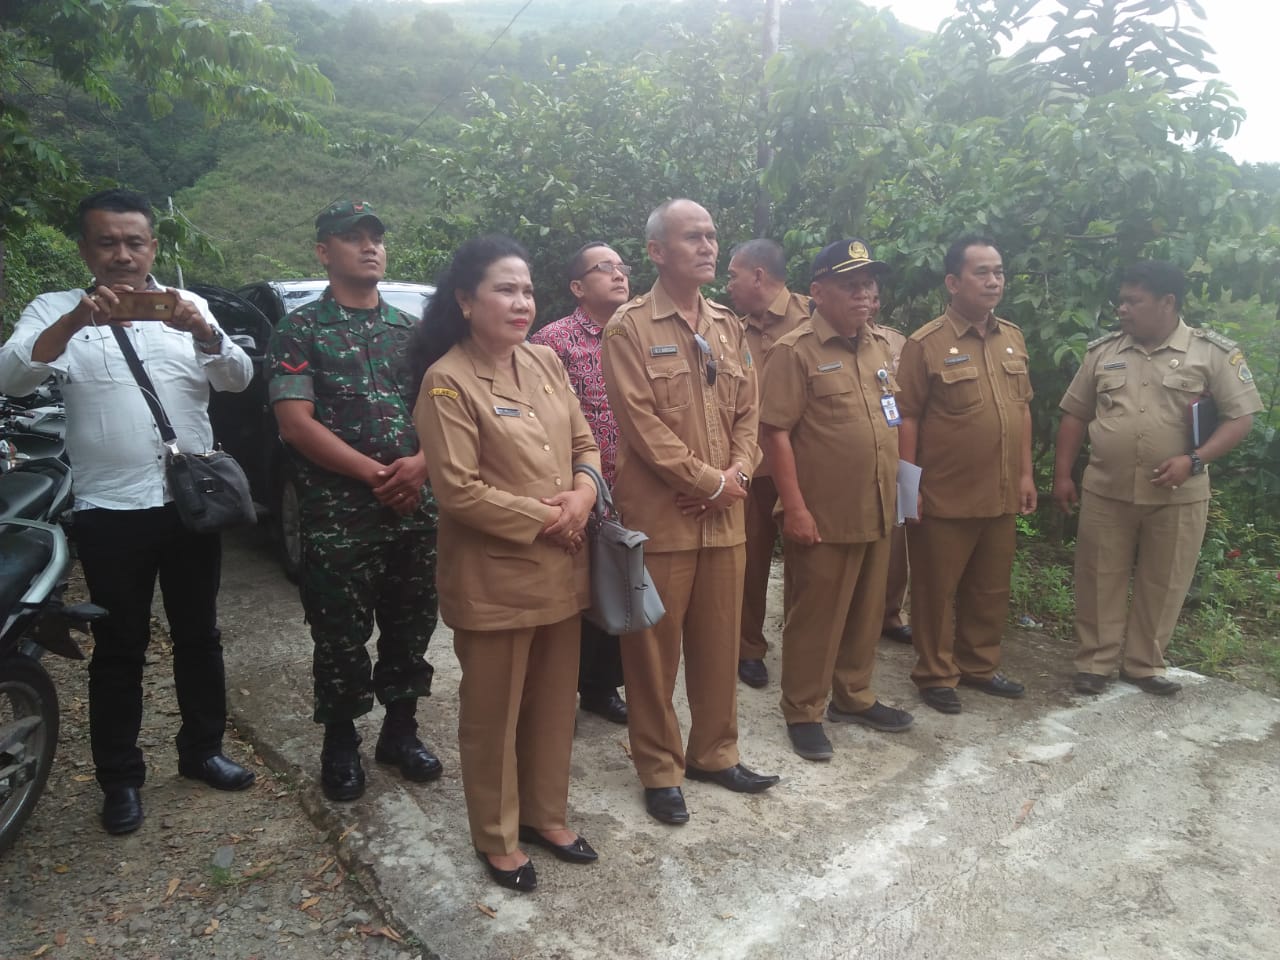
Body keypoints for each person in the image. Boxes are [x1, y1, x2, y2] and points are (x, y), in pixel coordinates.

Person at [0, 188, 255, 835]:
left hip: (188, 506)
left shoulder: (185, 306)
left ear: (153, 248)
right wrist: (75, 324)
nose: (121, 254)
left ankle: (202, 753)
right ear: (86, 249)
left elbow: (240, 377)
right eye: (107, 242)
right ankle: (120, 781)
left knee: (200, 637)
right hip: (110, 510)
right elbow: (12, 376)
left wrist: (204, 331)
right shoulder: (56, 310)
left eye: (134, 242)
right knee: (119, 648)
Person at [410, 235, 603, 893]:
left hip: (560, 571)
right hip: (495, 578)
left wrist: (582, 493)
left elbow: (586, 442)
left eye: (526, 289)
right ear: (466, 300)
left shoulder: (546, 362)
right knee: (493, 716)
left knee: (553, 706)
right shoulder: (449, 380)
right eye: (504, 289)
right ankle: (496, 835)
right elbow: (458, 490)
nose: (521, 302)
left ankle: (545, 817)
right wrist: (553, 518)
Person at [601, 198, 779, 826]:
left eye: (711, 236)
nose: (707, 247)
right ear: (657, 251)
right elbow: (640, 424)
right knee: (653, 655)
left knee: (718, 644)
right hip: (664, 520)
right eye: (692, 237)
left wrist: (734, 477)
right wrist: (707, 481)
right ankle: (659, 767)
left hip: (724, 519)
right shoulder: (628, 327)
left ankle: (715, 752)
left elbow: (749, 414)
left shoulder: (729, 326)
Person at [266, 201, 441, 803]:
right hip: (340, 514)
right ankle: (340, 743)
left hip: (415, 507)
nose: (369, 247)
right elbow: (295, 423)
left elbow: (442, 412)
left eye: (376, 238)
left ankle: (401, 731)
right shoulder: (300, 329)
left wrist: (420, 464)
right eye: (352, 238)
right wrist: (376, 475)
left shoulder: (410, 333)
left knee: (411, 622)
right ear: (324, 252)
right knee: (339, 633)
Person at [1053, 261, 1261, 696]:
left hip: (1179, 493)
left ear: (1167, 302)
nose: (1122, 309)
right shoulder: (1103, 352)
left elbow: (1240, 418)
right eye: (1121, 300)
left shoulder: (1212, 354)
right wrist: (1062, 475)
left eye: (1133, 301)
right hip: (1106, 489)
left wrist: (1196, 459)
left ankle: (1144, 664)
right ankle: (1095, 662)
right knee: (1097, 576)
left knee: (1165, 580)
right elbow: (1075, 414)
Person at [760, 240, 915, 760]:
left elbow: (891, 417)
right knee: (816, 616)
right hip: (823, 514)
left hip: (876, 504)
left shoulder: (879, 347)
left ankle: (854, 694)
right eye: (852, 285)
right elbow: (775, 434)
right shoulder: (795, 351)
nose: (865, 294)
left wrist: (902, 488)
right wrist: (796, 508)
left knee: (868, 610)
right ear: (818, 291)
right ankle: (803, 709)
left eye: (870, 284)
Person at [896, 235, 1037, 715]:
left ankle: (979, 665)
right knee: (936, 590)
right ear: (953, 282)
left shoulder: (1013, 337)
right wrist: (907, 489)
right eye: (982, 272)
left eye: (998, 271)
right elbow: (906, 416)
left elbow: (1022, 409)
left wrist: (1025, 474)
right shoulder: (926, 343)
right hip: (944, 494)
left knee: (991, 586)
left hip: (999, 491)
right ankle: (935, 674)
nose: (993, 280)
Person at [528, 241, 631, 725]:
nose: (618, 274)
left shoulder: (638, 331)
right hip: (579, 490)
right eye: (603, 268)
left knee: (620, 585)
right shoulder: (554, 341)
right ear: (577, 286)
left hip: (637, 488)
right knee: (577, 594)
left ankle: (600, 687)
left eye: (621, 267)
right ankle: (554, 691)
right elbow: (542, 422)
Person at [724, 238, 810, 690]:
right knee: (749, 559)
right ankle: (748, 647)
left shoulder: (814, 318)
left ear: (758, 275)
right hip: (752, 466)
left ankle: (806, 648)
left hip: (805, 465)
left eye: (733, 274)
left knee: (808, 562)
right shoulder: (733, 330)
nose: (728, 284)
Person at [868, 285, 913, 646]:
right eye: (857, 289)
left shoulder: (896, 342)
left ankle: (889, 613)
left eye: (874, 293)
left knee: (896, 540)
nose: (869, 299)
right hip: (850, 458)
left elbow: (909, 399)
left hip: (895, 449)